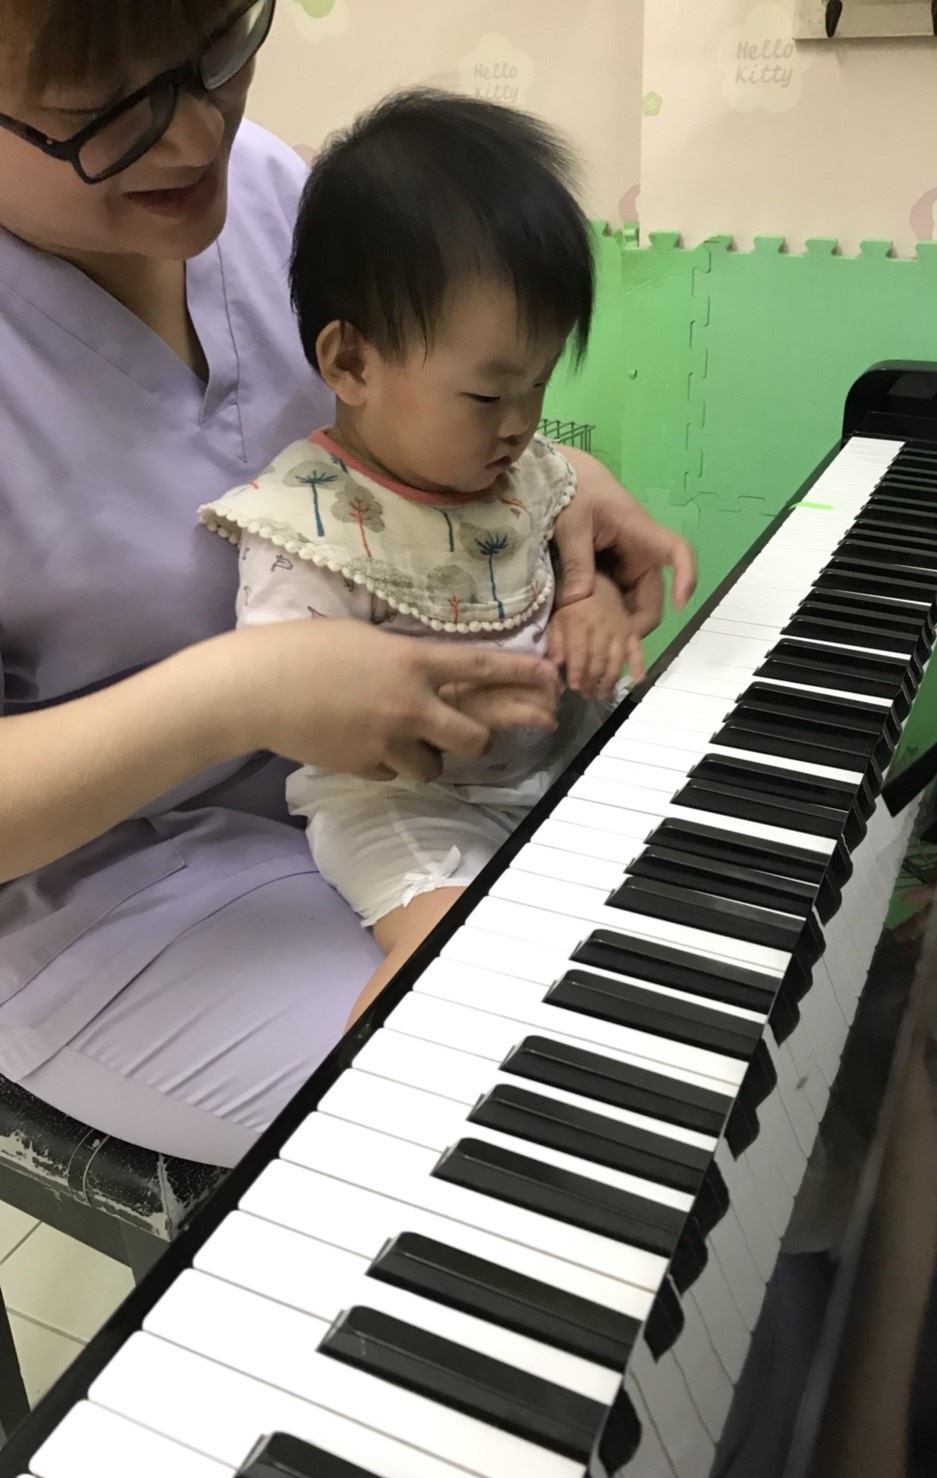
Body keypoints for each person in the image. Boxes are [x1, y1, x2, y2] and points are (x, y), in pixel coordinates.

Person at [0, 0, 696, 1169]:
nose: (195, 138)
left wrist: (555, 491)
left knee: (709, 995)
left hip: (411, 782)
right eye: (98, 111)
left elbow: (404, 440)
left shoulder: (274, 193)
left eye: (217, 47)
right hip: (107, 891)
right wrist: (241, 694)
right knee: (553, 1111)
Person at [201, 90, 646, 1030]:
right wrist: (431, 706)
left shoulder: (518, 471)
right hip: (406, 807)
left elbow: (567, 566)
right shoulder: (310, 518)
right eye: (487, 396)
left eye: (539, 385)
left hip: (551, 762)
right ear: (351, 364)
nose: (519, 425)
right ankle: (357, 1097)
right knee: (449, 962)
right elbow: (292, 705)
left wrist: (591, 606)